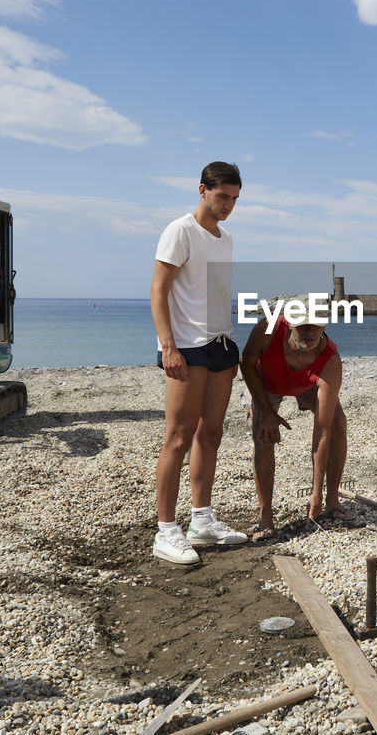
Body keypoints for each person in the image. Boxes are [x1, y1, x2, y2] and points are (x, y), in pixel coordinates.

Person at [149, 161, 248, 565]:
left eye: (235, 199)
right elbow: (158, 292)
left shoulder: (225, 238)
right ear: (203, 190)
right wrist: (168, 347)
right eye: (222, 196)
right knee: (178, 435)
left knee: (211, 434)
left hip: (220, 344)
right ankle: (166, 531)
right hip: (187, 346)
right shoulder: (180, 230)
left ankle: (202, 521)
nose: (228, 205)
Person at [239, 299, 352, 540]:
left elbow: (321, 433)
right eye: (303, 326)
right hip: (266, 381)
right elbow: (246, 363)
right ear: (289, 324)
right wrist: (267, 412)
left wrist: (315, 493)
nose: (309, 332)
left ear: (324, 326)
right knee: (263, 433)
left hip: (306, 383)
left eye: (315, 325)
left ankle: (331, 501)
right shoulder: (268, 328)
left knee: (337, 424)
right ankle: (265, 517)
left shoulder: (330, 360)